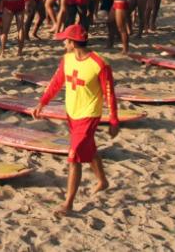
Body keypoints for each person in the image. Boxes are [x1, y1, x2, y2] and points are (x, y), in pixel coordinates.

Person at [32, 24, 119, 217]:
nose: (63, 42)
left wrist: (113, 120)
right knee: (88, 148)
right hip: (72, 112)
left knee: (74, 157)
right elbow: (56, 82)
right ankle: (103, 180)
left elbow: (109, 93)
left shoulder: (100, 63)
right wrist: (42, 103)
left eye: (66, 40)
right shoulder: (67, 59)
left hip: (89, 115)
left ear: (72, 42)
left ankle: (68, 203)